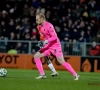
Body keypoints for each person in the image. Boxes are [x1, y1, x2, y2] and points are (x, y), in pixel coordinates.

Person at [34, 12, 80, 80]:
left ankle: (75, 75)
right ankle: (42, 74)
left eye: (37, 19)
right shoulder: (39, 27)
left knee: (61, 61)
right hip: (48, 46)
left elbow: (55, 37)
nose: (36, 21)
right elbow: (43, 36)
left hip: (55, 46)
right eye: (36, 20)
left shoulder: (49, 26)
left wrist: (46, 41)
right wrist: (42, 42)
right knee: (36, 56)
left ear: (42, 19)